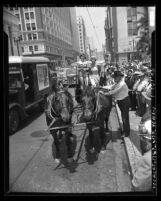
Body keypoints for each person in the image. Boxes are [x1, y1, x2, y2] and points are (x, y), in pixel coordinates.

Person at [100, 70, 130, 137]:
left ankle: (126, 133)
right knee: (123, 117)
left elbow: (113, 92)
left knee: (125, 118)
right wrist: (102, 87)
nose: (114, 79)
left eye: (115, 77)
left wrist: (104, 93)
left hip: (124, 101)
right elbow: (111, 87)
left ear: (119, 77)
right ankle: (125, 130)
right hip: (121, 101)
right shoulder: (117, 83)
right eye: (114, 77)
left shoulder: (122, 84)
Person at [132, 119, 152, 191]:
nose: (141, 140)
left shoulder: (148, 159)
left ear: (147, 141)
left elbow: (137, 186)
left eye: (142, 138)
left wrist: (135, 169)